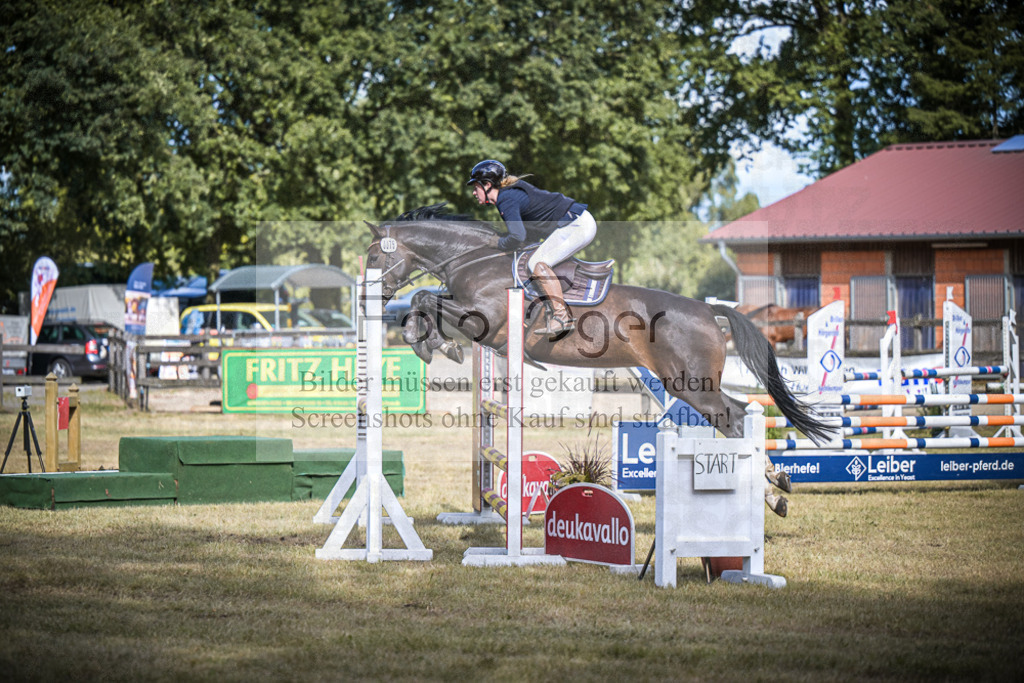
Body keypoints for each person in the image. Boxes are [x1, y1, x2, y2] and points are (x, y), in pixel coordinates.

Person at [466, 159, 596, 335]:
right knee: (533, 258)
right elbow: (526, 235)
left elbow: (517, 236)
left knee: (536, 264)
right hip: (573, 223)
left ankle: (561, 316)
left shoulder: (506, 199)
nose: (474, 193)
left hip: (577, 226)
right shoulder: (508, 195)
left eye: (476, 187)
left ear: (487, 185)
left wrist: (497, 243)